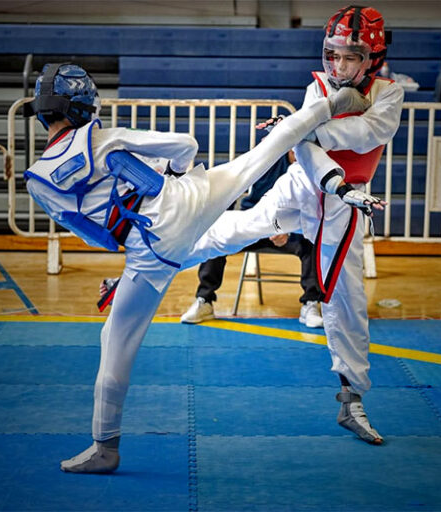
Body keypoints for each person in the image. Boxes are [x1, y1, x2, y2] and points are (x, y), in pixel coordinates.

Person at [22, 62, 371, 474]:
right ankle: (333, 105)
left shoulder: (37, 180)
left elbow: (92, 233)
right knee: (263, 154)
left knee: (115, 342)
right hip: (187, 199)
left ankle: (105, 447)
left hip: (150, 248)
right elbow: (185, 144)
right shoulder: (102, 138)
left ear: (42, 112)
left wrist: (132, 254)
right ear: (84, 105)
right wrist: (173, 175)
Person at [184, 5, 402, 445]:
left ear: (372, 59)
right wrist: (317, 147)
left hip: (344, 205)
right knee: (235, 229)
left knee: (347, 300)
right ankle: (151, 262)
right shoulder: (316, 85)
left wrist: (311, 128)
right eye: (334, 55)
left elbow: (370, 134)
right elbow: (302, 150)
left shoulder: (388, 92)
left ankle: (352, 400)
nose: (340, 66)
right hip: (305, 185)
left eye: (351, 57)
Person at [180, 150, 325, 328]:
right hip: (254, 226)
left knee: (312, 242)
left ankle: (311, 303)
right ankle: (204, 300)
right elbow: (236, 195)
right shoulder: (268, 159)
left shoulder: (314, 169)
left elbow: (313, 215)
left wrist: (286, 230)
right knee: (220, 237)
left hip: (290, 233)